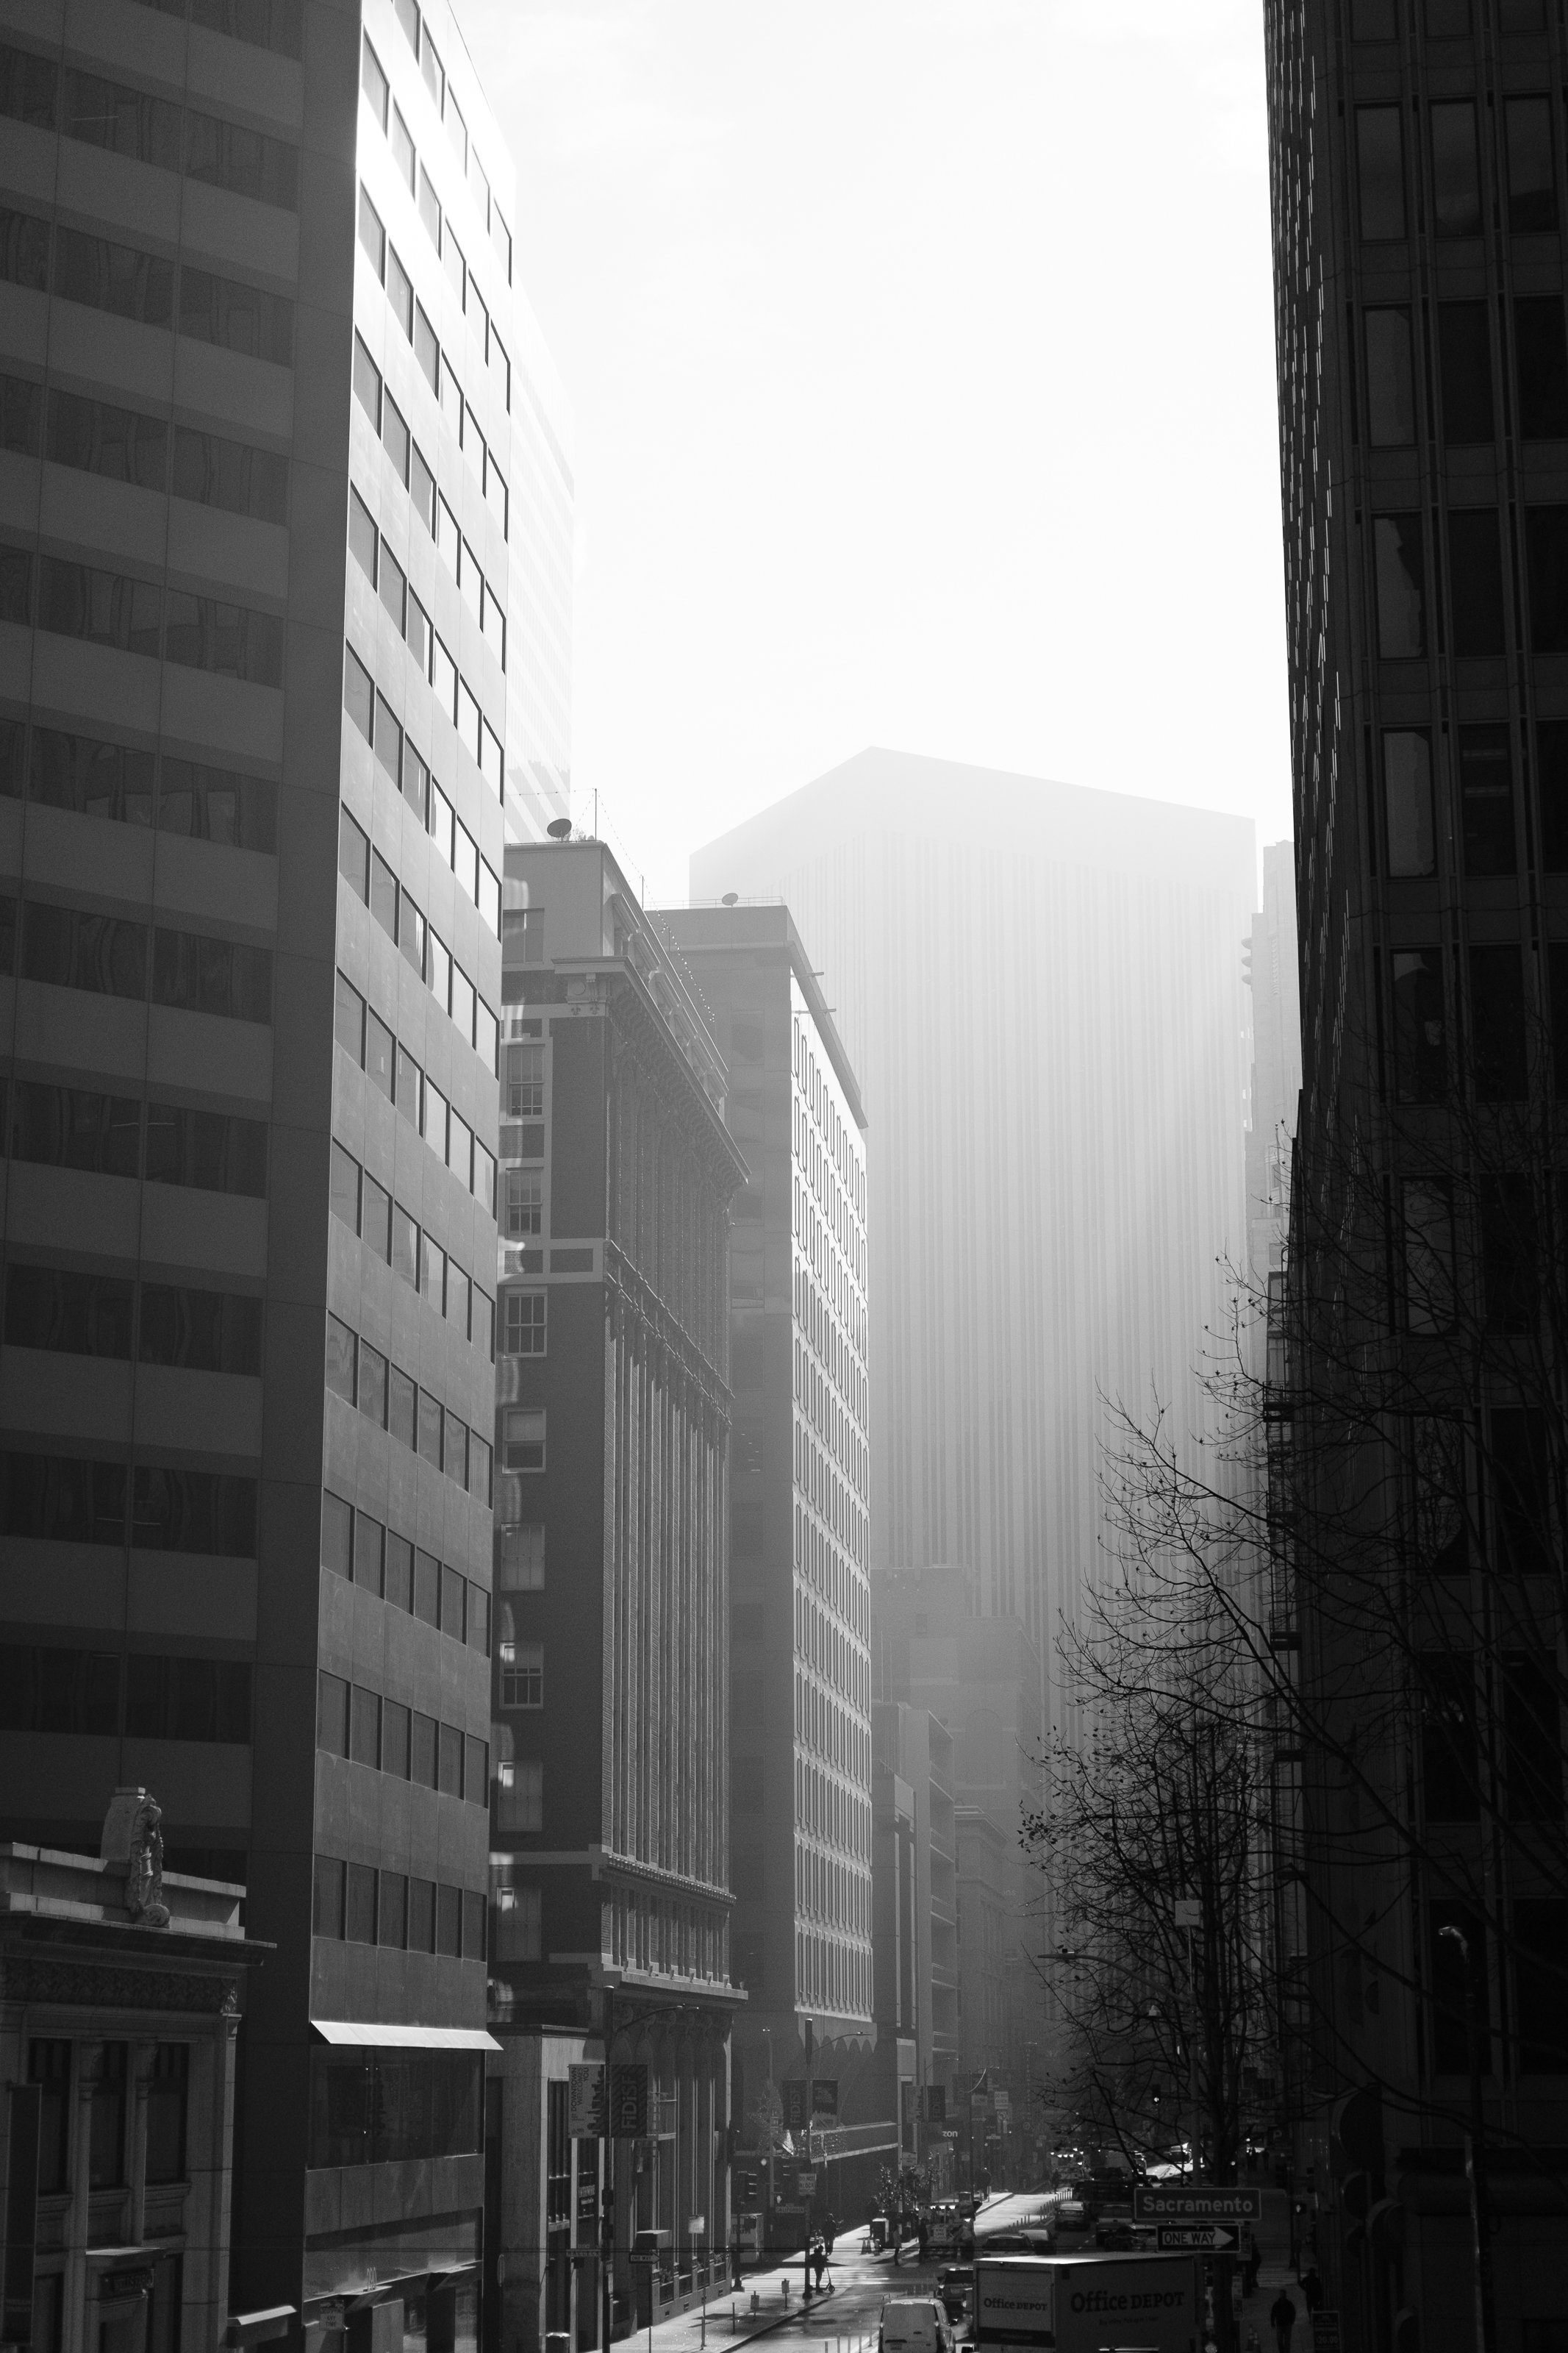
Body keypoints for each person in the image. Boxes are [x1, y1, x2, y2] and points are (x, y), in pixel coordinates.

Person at [1270, 2287, 1297, 2353]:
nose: (1282, 2296)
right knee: (1280, 2341)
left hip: (1287, 2324)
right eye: (1281, 2294)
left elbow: (1293, 2312)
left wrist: (1292, 2321)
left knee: (1287, 2341)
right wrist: (1272, 2322)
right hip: (1280, 2324)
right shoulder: (1277, 2304)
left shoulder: (1289, 2304)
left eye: (1283, 2294)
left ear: (1285, 2295)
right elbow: (1273, 2313)